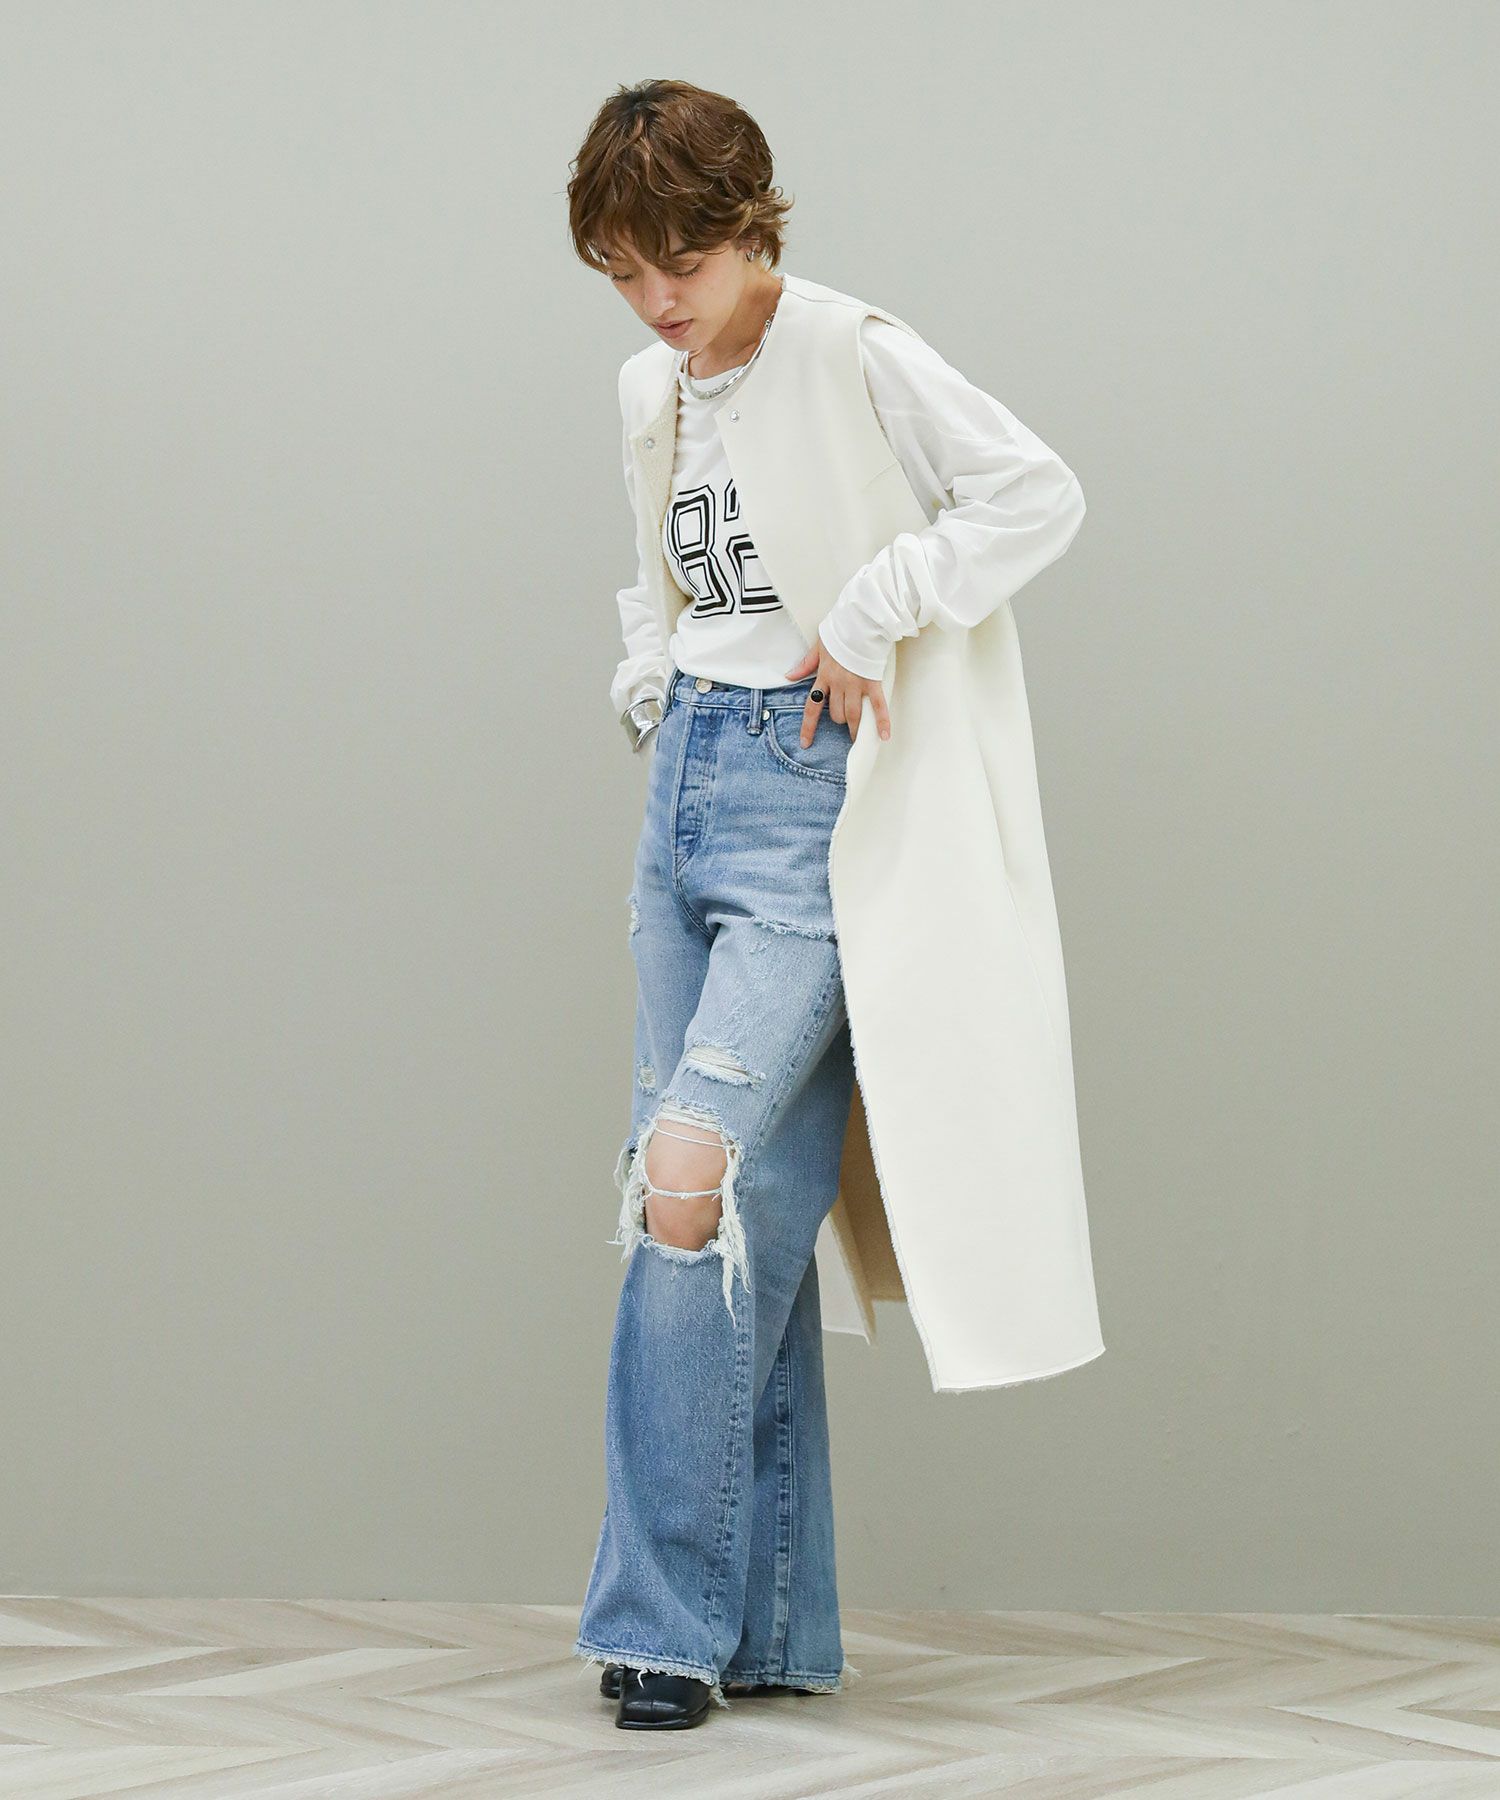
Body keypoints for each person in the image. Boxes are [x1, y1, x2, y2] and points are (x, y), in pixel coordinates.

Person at [564, 78, 1101, 1731]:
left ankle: (654, 1624)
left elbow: (1034, 492)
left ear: (749, 227)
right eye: (627, 270)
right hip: (686, 794)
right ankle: (771, 1627)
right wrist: (651, 677)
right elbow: (665, 573)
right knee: (759, 1220)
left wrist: (872, 614)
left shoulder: (852, 348)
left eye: (684, 263)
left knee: (683, 1180)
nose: (660, 300)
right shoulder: (652, 386)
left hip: (811, 809)